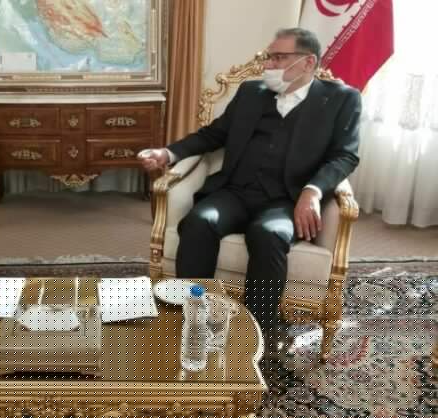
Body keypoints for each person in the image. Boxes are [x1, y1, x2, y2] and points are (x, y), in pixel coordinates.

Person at [139, 28, 361, 347]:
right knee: (200, 222)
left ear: (308, 62)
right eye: (269, 56)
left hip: (286, 200)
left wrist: (312, 191)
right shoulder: (250, 92)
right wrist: (168, 153)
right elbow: (213, 135)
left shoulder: (341, 99)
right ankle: (193, 319)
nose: (267, 64)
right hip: (235, 191)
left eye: (278, 57)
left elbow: (345, 156)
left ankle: (256, 334)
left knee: (269, 235)